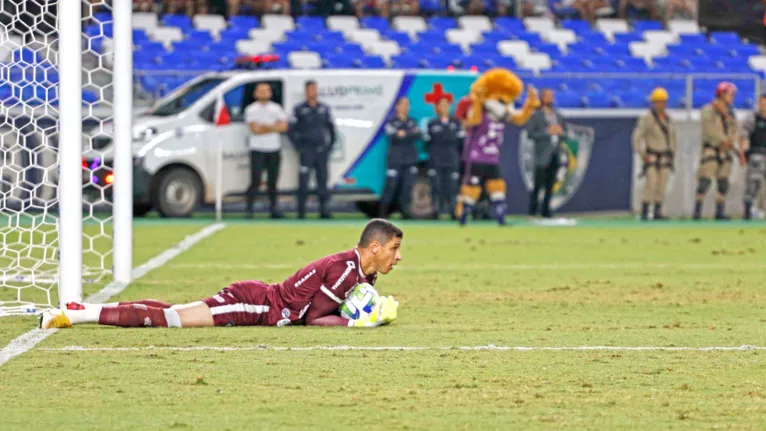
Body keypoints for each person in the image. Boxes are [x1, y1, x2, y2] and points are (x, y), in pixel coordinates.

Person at [40, 219, 402, 330]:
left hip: (261, 301)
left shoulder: (363, 274)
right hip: (256, 305)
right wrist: (362, 322)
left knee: (175, 311)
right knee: (171, 319)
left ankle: (81, 308)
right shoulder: (344, 270)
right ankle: (79, 313)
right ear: (374, 247)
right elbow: (316, 319)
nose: (397, 257)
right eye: (393, 249)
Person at [289, 80, 336, 219]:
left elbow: (331, 129)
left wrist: (329, 146)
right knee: (303, 181)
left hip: (321, 151)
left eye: (314, 89)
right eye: (310, 89)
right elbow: (291, 130)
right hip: (306, 150)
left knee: (322, 180)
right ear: (306, 91)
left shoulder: (324, 108)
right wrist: (298, 147)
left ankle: (324, 210)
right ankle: (301, 211)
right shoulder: (299, 109)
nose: (312, 92)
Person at [693, 82, 739, 220]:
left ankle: (720, 211)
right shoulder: (709, 109)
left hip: (726, 152)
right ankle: (697, 211)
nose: (732, 97)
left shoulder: (731, 113)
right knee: (705, 181)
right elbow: (709, 130)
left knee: (723, 182)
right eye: (729, 94)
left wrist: (731, 141)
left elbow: (734, 128)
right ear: (721, 94)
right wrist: (722, 140)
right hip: (711, 150)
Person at [631, 87, 677, 221]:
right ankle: (645, 210)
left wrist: (673, 152)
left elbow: (672, 137)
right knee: (651, 183)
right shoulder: (647, 119)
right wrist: (642, 154)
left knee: (662, 184)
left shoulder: (669, 119)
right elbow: (637, 138)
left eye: (663, 102)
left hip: (665, 156)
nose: (661, 105)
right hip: (652, 154)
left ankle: (658, 210)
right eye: (658, 102)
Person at [245, 83, 288, 219]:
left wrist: (264, 127)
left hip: (273, 148)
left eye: (266, 90)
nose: (264, 93)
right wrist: (273, 127)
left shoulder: (276, 108)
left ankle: (274, 209)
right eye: (261, 91)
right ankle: (250, 209)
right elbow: (254, 130)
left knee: (273, 181)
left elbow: (283, 127)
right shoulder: (250, 109)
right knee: (255, 180)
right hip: (257, 149)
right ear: (255, 93)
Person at [525, 88, 567, 219]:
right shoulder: (536, 115)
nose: (550, 98)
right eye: (547, 96)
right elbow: (530, 134)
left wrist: (560, 132)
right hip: (542, 154)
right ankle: (533, 210)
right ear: (541, 98)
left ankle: (546, 209)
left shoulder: (558, 115)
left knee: (550, 184)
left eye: (552, 96)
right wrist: (547, 132)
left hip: (555, 153)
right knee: (538, 184)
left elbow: (565, 133)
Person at [379, 97, 421, 219]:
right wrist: (409, 133)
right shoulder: (391, 121)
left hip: (410, 159)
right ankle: (382, 214)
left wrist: (403, 134)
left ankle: (405, 212)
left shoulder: (412, 121)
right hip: (395, 159)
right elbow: (393, 136)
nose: (405, 107)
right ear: (397, 106)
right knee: (391, 186)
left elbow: (417, 134)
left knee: (407, 186)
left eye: (407, 104)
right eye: (403, 104)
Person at [424, 96, 463, 220]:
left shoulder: (455, 122)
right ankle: (436, 212)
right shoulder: (432, 123)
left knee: (452, 187)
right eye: (442, 105)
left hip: (452, 160)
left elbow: (460, 141)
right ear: (437, 107)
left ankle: (454, 212)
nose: (444, 107)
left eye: (447, 105)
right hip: (436, 160)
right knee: (436, 186)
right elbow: (428, 142)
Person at [739, 94, 766, 220]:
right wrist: (742, 155)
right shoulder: (752, 118)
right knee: (753, 183)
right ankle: (748, 210)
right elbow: (744, 136)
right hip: (756, 155)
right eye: (762, 102)